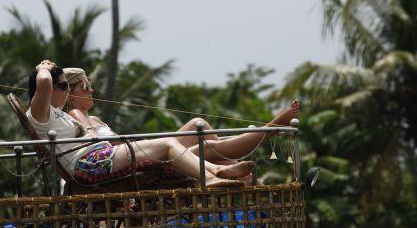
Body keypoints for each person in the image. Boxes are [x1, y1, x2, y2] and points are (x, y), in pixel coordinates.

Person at [26, 60, 254, 188]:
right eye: (64, 87)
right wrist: (43, 68)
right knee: (166, 144)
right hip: (91, 163)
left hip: (100, 156)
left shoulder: (58, 114)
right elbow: (44, 82)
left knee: (170, 144)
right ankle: (212, 177)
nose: (66, 92)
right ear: (49, 90)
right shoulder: (40, 113)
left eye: (68, 87)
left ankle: (216, 170)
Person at [63, 67, 299, 170]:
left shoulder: (92, 117)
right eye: (85, 87)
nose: (91, 91)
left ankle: (242, 172)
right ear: (70, 93)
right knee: (209, 146)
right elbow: (97, 146)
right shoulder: (75, 115)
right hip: (143, 161)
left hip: (143, 152)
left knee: (199, 125)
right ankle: (267, 129)